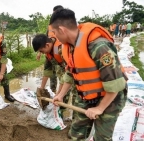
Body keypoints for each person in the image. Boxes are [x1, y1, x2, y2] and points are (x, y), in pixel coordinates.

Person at [50, 8, 128, 140]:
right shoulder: (70, 47)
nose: (54, 37)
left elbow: (116, 85)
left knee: (102, 137)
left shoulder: (99, 46)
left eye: (54, 33)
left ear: (62, 30)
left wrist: (99, 108)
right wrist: (61, 95)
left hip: (111, 97)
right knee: (76, 134)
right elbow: (70, 73)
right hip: (87, 95)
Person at [36, 5, 63, 93]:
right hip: (50, 48)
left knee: (61, 73)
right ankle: (51, 91)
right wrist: (40, 52)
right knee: (50, 72)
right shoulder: (51, 26)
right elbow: (46, 38)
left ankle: (61, 96)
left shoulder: (66, 25)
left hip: (59, 50)